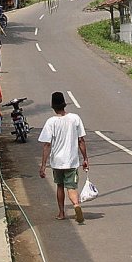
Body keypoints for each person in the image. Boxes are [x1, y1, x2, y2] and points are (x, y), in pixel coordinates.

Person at [38, 92, 88, 223]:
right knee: (71, 187)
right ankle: (76, 205)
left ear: (53, 106)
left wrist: (43, 165)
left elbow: (47, 145)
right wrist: (85, 159)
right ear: (64, 104)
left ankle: (61, 213)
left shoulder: (51, 122)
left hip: (57, 162)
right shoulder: (75, 118)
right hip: (71, 161)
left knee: (60, 186)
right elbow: (81, 141)